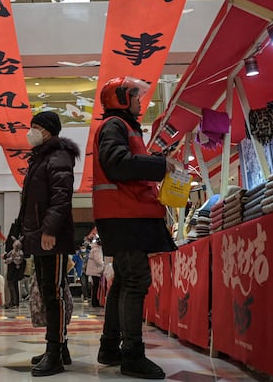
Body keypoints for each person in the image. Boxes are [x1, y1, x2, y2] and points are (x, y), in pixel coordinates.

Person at [92, 76, 177, 380]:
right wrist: (158, 165)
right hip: (124, 213)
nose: (141, 102)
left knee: (124, 281)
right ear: (122, 98)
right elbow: (117, 163)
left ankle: (110, 348)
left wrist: (153, 161)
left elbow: (123, 161)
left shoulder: (121, 127)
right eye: (136, 96)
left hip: (123, 213)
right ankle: (132, 355)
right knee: (136, 281)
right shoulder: (115, 126)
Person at [18, 110, 80, 377]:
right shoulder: (41, 158)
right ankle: (57, 347)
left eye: (35, 127)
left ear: (47, 131)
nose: (30, 132)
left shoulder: (58, 157)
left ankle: (55, 353)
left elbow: (61, 197)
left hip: (51, 237)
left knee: (54, 293)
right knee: (47, 292)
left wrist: (49, 230)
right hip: (38, 236)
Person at [3, 239, 25, 308]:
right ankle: (16, 302)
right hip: (16, 272)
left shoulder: (14, 252)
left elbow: (10, 259)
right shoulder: (20, 252)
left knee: (11, 286)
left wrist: (6, 260)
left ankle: (13, 302)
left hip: (12, 271)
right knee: (15, 286)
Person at [85, 237, 105, 307]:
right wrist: (104, 264)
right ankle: (95, 302)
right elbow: (99, 261)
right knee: (96, 287)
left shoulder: (94, 248)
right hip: (96, 271)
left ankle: (95, 301)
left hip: (93, 271)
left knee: (95, 287)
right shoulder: (97, 250)